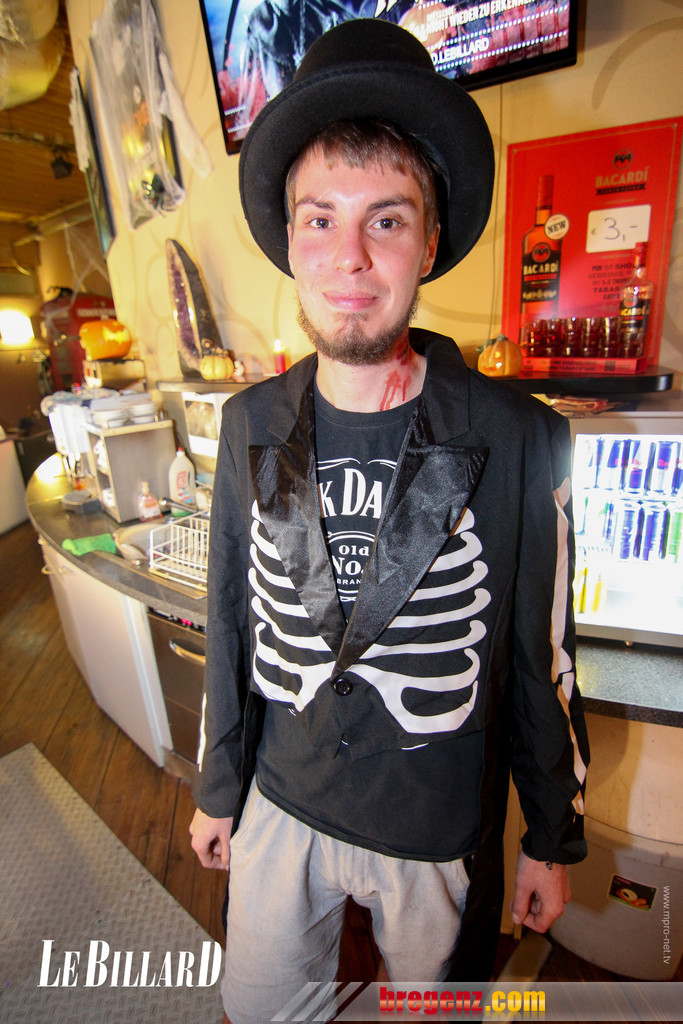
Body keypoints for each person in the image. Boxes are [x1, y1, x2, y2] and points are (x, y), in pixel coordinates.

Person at [190, 17, 589, 1023]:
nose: (349, 259)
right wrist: (217, 786)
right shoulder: (248, 424)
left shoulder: (519, 438)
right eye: (318, 219)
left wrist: (549, 836)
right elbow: (232, 623)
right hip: (281, 800)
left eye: (387, 219)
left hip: (434, 828)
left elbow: (541, 657)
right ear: (288, 239)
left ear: (430, 241)